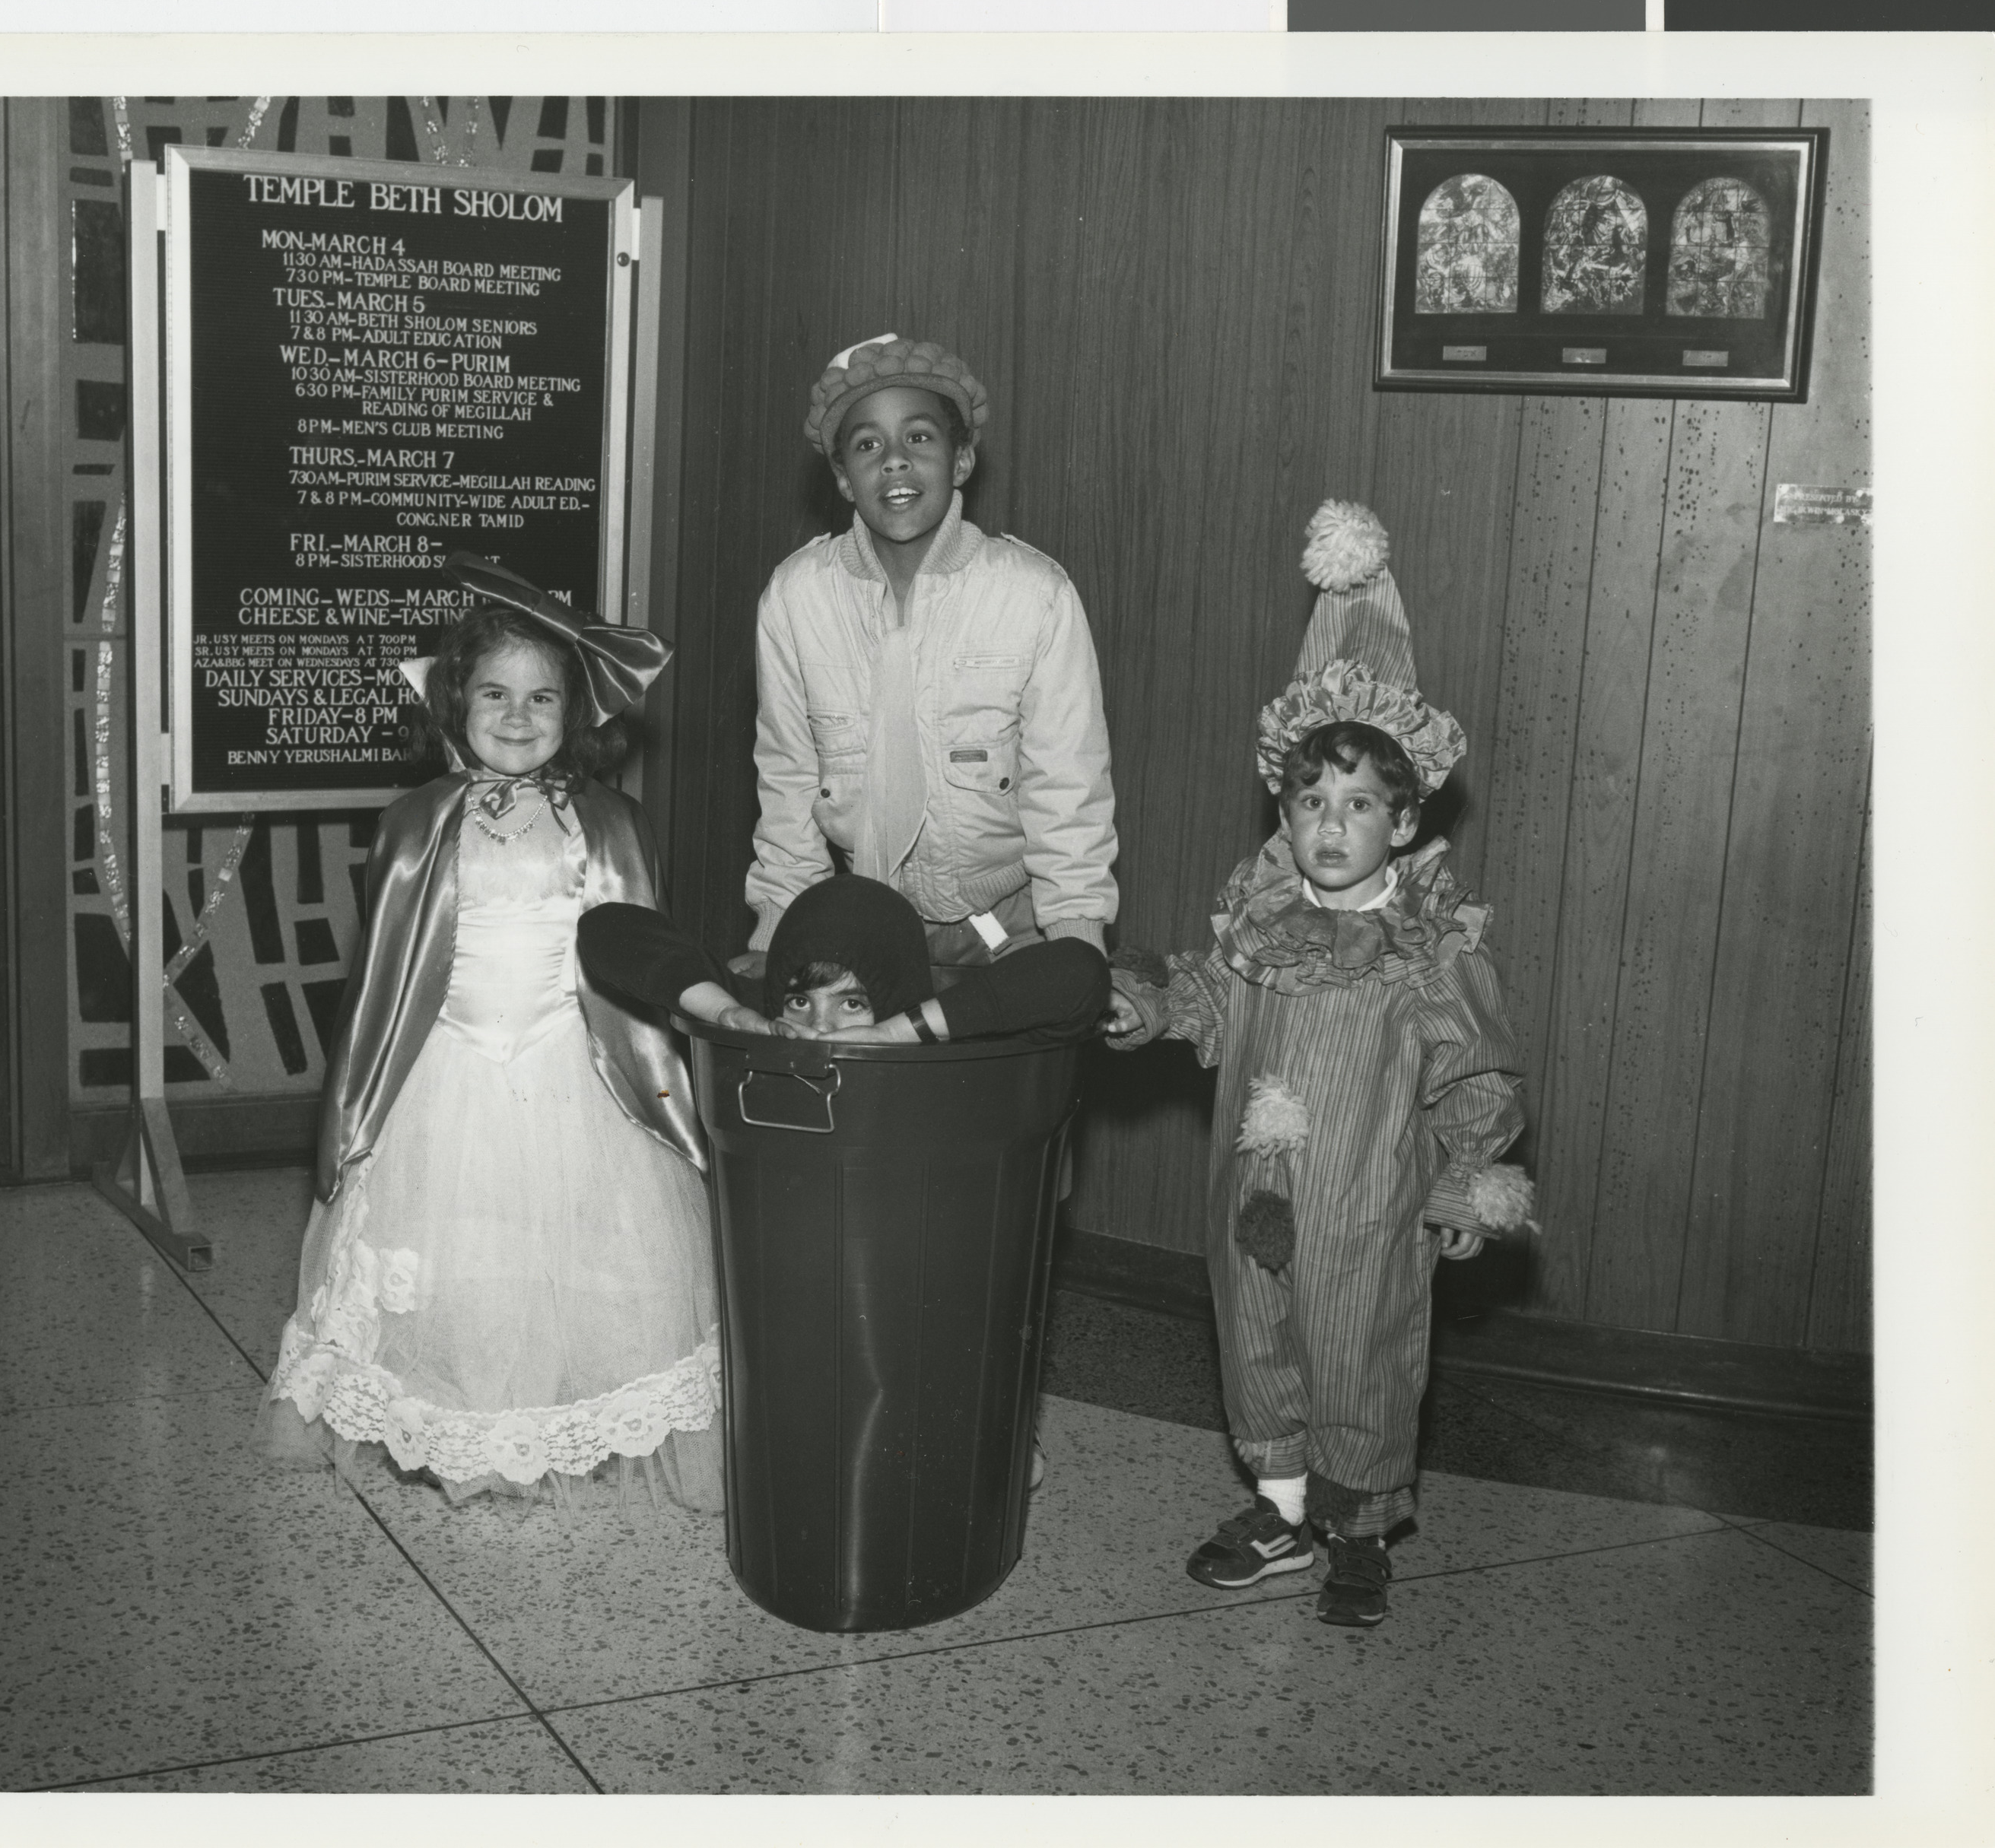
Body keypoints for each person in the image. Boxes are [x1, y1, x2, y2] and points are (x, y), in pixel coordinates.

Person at [1107, 501, 1533, 1629]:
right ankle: (1284, 1510)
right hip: (1250, 1201)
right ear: (1281, 812)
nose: (1328, 825)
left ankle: (1356, 1526)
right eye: (1308, 802)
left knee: (1360, 1359)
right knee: (1258, 1347)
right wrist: (1143, 1004)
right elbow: (1205, 991)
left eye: (1357, 805)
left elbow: (1477, 1078)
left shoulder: (1432, 947)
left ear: (1402, 822)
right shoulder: (1256, 920)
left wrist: (1466, 1180)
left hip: (1365, 1211)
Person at [257, 557, 723, 1514]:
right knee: (457, 1244)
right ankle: (464, 1424)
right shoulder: (417, 822)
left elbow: (637, 955)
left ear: (578, 712)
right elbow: (386, 973)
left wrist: (668, 1086)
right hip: (447, 1070)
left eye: (543, 698)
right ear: (453, 701)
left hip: (573, 1064)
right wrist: (356, 1105)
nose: (517, 716)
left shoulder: (612, 822)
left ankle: (581, 1410)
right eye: (495, 693)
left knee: (594, 1242)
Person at [741, 334, 1118, 984]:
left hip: (1006, 922)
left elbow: (1070, 789)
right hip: (860, 924)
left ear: (962, 459)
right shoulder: (796, 597)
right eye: (867, 446)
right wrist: (777, 934)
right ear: (841, 478)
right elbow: (788, 782)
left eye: (919, 438)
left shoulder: (1033, 594)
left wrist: (1077, 946)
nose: (894, 462)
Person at [581, 872, 1110, 1049]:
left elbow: (1079, 970)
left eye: (853, 1003)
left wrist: (890, 1036)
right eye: (799, 1000)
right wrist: (729, 1015)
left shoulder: (948, 1030)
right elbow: (606, 929)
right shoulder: (766, 1026)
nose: (819, 1028)